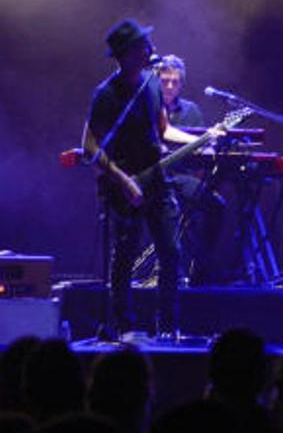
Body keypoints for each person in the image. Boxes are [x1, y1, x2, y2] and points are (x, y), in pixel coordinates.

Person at [82, 19, 218, 339]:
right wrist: (122, 180)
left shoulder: (152, 84)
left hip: (156, 178)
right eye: (144, 46)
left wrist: (201, 139)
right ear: (127, 55)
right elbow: (88, 143)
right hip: (123, 182)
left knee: (171, 252)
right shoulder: (105, 94)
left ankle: (167, 327)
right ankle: (124, 326)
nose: (151, 50)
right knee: (124, 256)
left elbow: (163, 130)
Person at [156, 54, 227, 286]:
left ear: (181, 84)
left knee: (216, 205)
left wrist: (211, 147)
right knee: (170, 210)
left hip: (183, 178)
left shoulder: (191, 111)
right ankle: (170, 275)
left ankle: (200, 268)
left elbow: (202, 152)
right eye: (164, 80)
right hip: (155, 178)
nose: (169, 86)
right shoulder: (148, 107)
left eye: (174, 81)